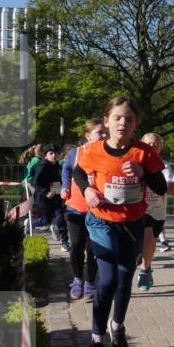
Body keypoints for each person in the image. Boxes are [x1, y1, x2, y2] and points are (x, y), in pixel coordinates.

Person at [72, 96, 167, 347]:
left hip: (132, 223)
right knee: (108, 279)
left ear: (135, 124)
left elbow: (161, 187)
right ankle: (97, 341)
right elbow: (79, 172)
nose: (122, 123)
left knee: (125, 279)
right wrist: (87, 189)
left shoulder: (144, 152)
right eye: (117, 118)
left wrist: (142, 173)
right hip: (102, 221)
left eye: (128, 119)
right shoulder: (92, 150)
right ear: (107, 121)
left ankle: (118, 326)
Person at [62, 120, 107, 300]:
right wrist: (65, 186)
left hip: (98, 210)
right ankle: (78, 279)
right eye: (100, 132)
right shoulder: (76, 152)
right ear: (88, 136)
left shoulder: (107, 152)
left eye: (105, 132)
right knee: (76, 245)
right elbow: (66, 169)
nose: (104, 136)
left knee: (93, 248)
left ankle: (90, 283)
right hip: (76, 208)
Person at [137, 133, 174, 292]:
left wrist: (157, 184)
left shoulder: (165, 165)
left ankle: (147, 267)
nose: (152, 146)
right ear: (142, 145)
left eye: (156, 144)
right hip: (141, 208)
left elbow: (173, 190)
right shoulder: (137, 163)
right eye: (149, 143)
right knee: (147, 237)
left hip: (158, 210)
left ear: (160, 147)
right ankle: (143, 270)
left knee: (152, 242)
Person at [34, 144, 69, 252]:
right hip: (44, 198)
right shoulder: (42, 166)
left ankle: (64, 242)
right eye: (51, 153)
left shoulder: (58, 166)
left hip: (56, 195)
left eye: (56, 153)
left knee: (60, 218)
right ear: (45, 156)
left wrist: (59, 190)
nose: (54, 155)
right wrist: (46, 193)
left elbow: (59, 180)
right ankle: (30, 223)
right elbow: (36, 183)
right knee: (46, 221)